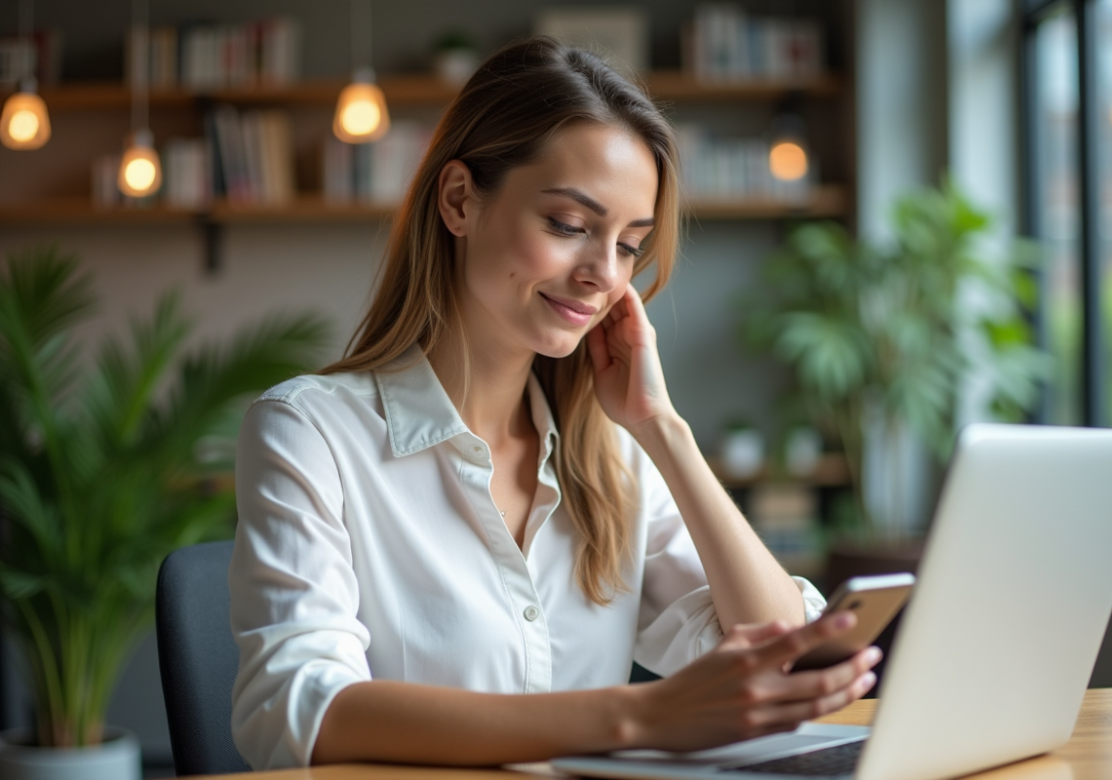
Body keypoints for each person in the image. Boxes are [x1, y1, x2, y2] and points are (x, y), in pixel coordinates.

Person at [229, 37, 880, 771]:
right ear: (458, 201)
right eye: (569, 226)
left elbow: (785, 656)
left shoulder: (613, 456)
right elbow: (297, 709)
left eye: (630, 244)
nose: (603, 274)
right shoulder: (312, 432)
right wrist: (639, 715)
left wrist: (664, 431)